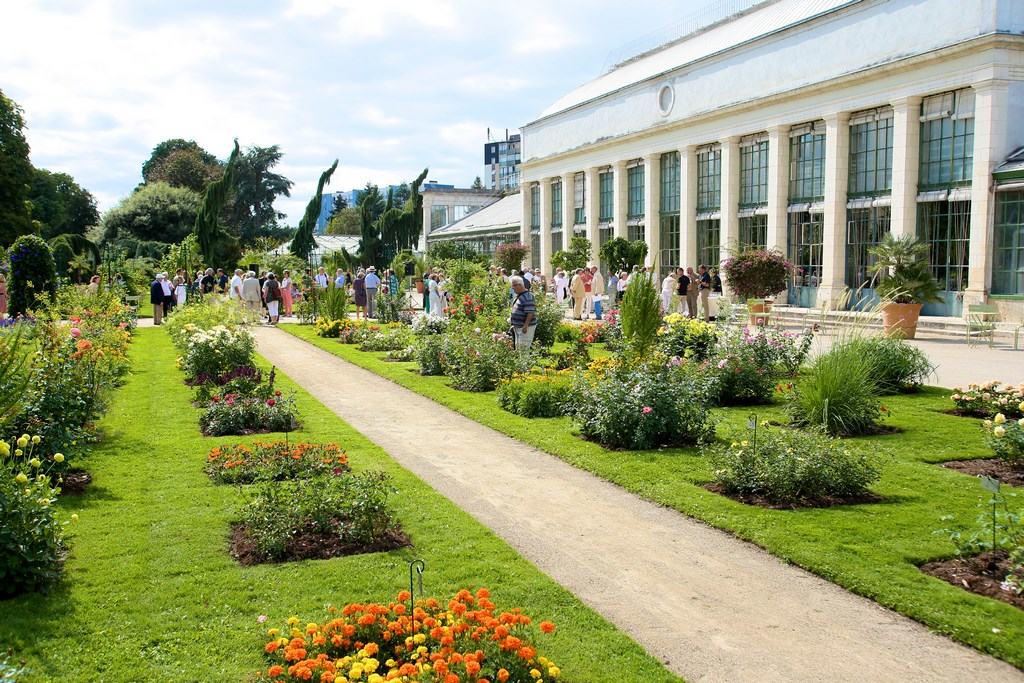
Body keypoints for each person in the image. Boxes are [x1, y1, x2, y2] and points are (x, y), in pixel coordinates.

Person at [509, 275, 537, 351]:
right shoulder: (520, 295)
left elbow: (530, 312)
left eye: (514, 285)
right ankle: (520, 363)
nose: (512, 288)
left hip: (525, 328)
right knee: (518, 348)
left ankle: (525, 363)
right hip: (518, 327)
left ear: (520, 285)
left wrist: (525, 326)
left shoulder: (527, 296)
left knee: (523, 348)